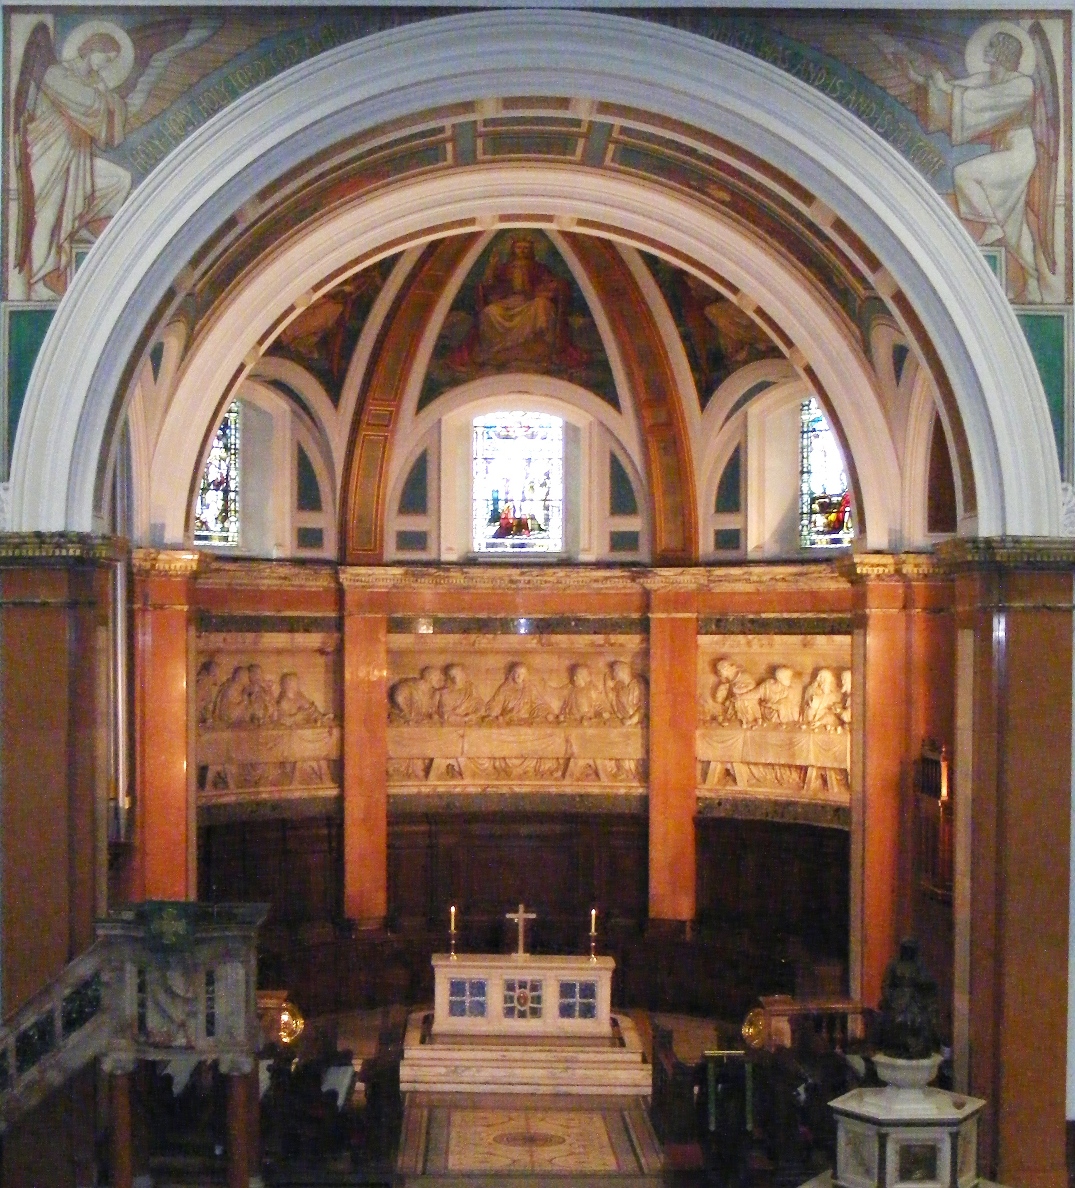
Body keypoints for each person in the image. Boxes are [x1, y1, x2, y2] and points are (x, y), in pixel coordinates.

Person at [906, 26, 1050, 300]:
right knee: (1015, 224)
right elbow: (955, 90)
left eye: (991, 46)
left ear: (1003, 53)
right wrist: (924, 79)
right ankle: (1033, 284)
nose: (985, 50)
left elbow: (978, 103)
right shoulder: (988, 78)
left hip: (1018, 154)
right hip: (1004, 149)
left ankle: (993, 223)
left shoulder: (1023, 85)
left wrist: (952, 92)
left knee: (963, 174)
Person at [449, 234, 587, 370]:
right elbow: (489, 285)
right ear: (512, 249)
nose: (522, 251)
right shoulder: (504, 268)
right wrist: (491, 267)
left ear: (532, 250)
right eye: (519, 248)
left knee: (543, 306)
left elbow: (551, 285)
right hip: (508, 302)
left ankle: (539, 345)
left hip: (532, 301)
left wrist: (545, 289)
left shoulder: (540, 268)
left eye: (526, 248)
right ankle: (496, 348)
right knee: (489, 312)